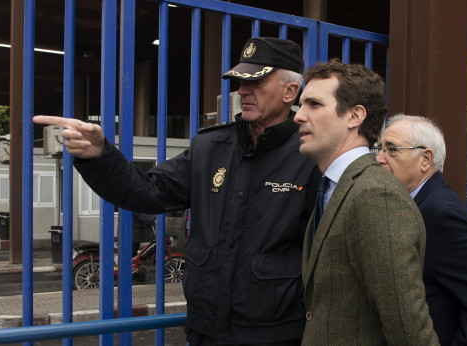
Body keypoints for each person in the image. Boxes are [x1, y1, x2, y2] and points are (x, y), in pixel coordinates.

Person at [34, 36, 321, 345]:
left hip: (276, 335)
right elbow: (147, 190)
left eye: (256, 81)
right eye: (239, 81)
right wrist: (100, 155)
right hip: (204, 331)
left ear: (290, 91)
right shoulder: (210, 147)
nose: (243, 91)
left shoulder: (312, 155)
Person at [294, 59, 439, 345]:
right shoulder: (334, 189)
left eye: (314, 104)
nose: (298, 116)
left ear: (354, 116)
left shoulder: (375, 196)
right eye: (301, 105)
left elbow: (408, 326)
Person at [376, 114, 467, 345]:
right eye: (379, 148)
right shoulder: (417, 203)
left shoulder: (441, 213)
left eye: (391, 149)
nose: (380, 158)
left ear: (425, 159)